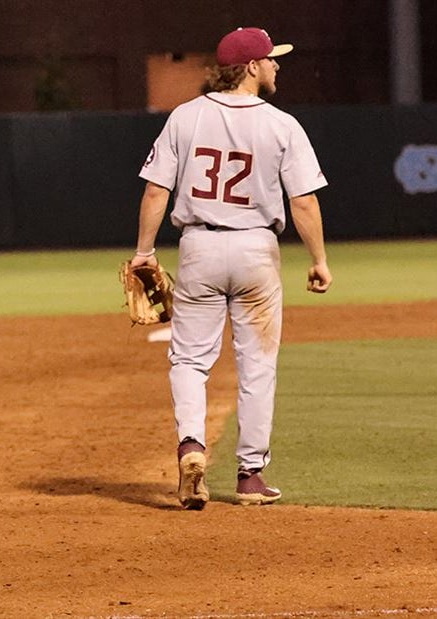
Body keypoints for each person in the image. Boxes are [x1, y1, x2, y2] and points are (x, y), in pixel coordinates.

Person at [130, 27, 332, 510]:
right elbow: (302, 202)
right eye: (271, 59)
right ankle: (250, 477)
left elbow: (157, 190)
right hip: (256, 251)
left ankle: (192, 448)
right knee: (257, 365)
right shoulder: (282, 125)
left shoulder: (184, 117)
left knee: (189, 360)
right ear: (251, 67)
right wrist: (319, 260)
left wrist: (144, 251)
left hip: (199, 247)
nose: (277, 66)